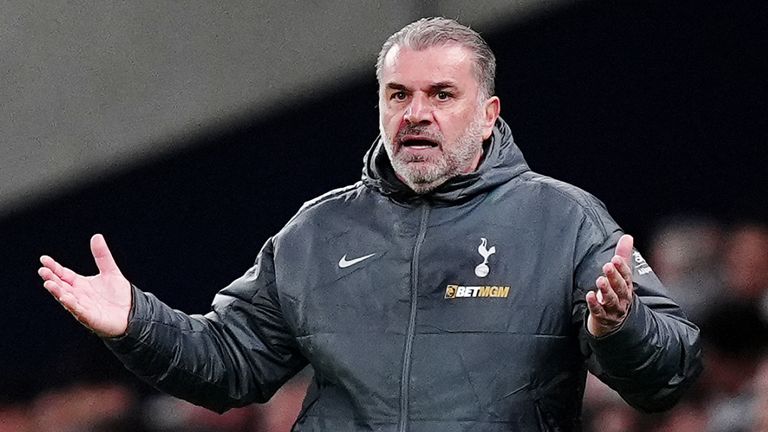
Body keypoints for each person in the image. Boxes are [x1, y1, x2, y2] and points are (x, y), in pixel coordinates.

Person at [37, 17, 702, 431]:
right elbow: (231, 367)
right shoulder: (319, 232)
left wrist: (619, 329)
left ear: (489, 112)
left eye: (442, 95)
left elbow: (668, 376)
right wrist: (137, 323)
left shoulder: (564, 220)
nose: (416, 113)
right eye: (398, 94)